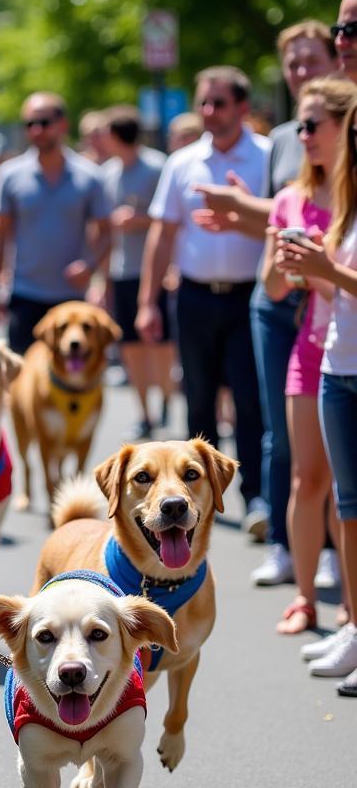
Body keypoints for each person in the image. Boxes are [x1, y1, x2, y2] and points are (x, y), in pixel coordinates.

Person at [190, 23, 338, 582]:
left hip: (332, 298)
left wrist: (242, 208)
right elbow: (284, 217)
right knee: (281, 432)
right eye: (292, 64)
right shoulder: (284, 136)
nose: (301, 72)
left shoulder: (340, 129)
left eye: (310, 59)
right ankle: (285, 540)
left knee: (329, 434)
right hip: (277, 300)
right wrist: (242, 211)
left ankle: (327, 550)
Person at [137, 67, 269, 536]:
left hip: (249, 297)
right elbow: (162, 232)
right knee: (198, 399)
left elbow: (280, 226)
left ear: (242, 107)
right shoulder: (183, 162)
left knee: (251, 401)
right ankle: (197, 500)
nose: (210, 112)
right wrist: (147, 301)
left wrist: (241, 215)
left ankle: (256, 496)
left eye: (220, 103)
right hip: (193, 296)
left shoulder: (268, 158)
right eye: (204, 103)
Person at [259, 78, 357, 634]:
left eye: (313, 124)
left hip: (349, 344)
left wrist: (320, 270)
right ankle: (304, 598)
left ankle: (351, 603)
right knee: (307, 478)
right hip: (309, 348)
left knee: (350, 489)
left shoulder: (352, 196)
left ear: (345, 126)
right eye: (299, 125)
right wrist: (280, 256)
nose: (304, 136)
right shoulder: (289, 198)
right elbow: (275, 289)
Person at [285, 93, 357, 695]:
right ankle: (351, 623)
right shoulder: (341, 202)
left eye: (316, 126)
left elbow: (341, 280)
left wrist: (327, 273)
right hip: (336, 363)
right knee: (346, 505)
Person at [0, 91, 111, 353]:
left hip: (72, 299)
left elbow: (107, 233)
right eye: (29, 124)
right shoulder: (10, 175)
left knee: (71, 382)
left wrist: (90, 267)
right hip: (24, 293)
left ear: (62, 125)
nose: (36, 130)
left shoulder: (90, 177)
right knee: (21, 379)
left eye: (43, 123)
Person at [96, 105, 173, 438]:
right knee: (130, 345)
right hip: (123, 270)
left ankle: (167, 400)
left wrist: (137, 219)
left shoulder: (158, 167)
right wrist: (102, 278)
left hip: (155, 269)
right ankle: (145, 412)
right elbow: (102, 229)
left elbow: (168, 218)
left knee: (159, 342)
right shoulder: (108, 174)